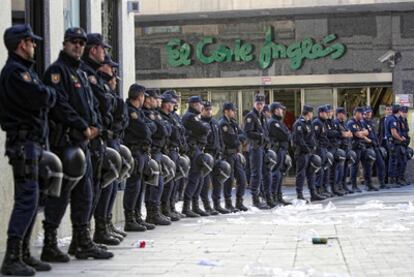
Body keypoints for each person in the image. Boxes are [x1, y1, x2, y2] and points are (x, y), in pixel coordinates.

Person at [41, 27, 113, 262]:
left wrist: (96, 127)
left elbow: (92, 106)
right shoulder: (56, 71)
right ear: (64, 44)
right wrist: (83, 126)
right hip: (65, 143)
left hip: (84, 143)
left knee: (86, 194)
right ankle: (50, 243)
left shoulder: (81, 73)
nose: (78, 46)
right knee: (60, 196)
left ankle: (82, 242)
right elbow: (59, 105)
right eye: (73, 42)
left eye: (81, 43)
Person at [0, 24, 56, 276]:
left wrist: (47, 93)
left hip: (32, 144)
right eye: (31, 42)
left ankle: (23, 253)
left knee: (33, 200)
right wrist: (48, 94)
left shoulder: (24, 71)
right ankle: (12, 257)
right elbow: (42, 98)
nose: (35, 46)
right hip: (23, 145)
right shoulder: (15, 72)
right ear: (22, 44)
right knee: (26, 199)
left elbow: (44, 95)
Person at [81, 33, 119, 246]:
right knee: (87, 192)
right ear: (94, 50)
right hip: (87, 140)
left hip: (100, 139)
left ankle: (98, 230)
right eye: (102, 49)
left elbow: (114, 112)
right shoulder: (87, 76)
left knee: (100, 188)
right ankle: (84, 236)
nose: (112, 69)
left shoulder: (97, 80)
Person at [95, 54, 128, 241]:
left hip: (113, 139)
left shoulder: (110, 92)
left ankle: (106, 224)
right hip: (102, 141)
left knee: (112, 185)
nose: (114, 74)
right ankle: (99, 228)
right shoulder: (97, 86)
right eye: (110, 68)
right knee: (104, 186)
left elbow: (120, 119)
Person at [122, 84, 156, 232]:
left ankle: (136, 217)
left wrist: (148, 127)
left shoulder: (138, 111)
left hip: (142, 152)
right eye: (143, 96)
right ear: (140, 96)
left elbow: (151, 128)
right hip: (134, 151)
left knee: (139, 186)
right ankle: (129, 219)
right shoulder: (131, 111)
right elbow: (144, 131)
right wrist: (148, 127)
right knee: (133, 186)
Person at [142, 89, 172, 225]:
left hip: (157, 151)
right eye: (155, 98)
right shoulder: (144, 112)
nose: (158, 101)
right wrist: (158, 126)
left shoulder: (155, 114)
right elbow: (153, 130)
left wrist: (158, 126)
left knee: (159, 183)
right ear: (148, 99)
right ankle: (151, 214)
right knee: (153, 184)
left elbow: (166, 131)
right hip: (151, 151)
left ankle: (155, 212)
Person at [181, 96, 210, 217]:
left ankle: (195, 206)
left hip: (197, 148)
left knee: (199, 178)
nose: (201, 106)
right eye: (199, 104)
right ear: (193, 104)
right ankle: (187, 207)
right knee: (194, 178)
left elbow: (204, 130)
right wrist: (204, 128)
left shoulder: (195, 116)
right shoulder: (190, 116)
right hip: (193, 150)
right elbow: (203, 129)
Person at [219, 102, 249, 212]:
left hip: (235, 154)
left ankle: (239, 202)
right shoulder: (223, 124)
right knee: (229, 179)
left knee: (242, 178)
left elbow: (243, 134)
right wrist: (238, 139)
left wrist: (238, 139)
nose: (235, 112)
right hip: (227, 154)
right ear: (226, 111)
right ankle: (228, 203)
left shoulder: (233, 122)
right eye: (233, 110)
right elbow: (231, 140)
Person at [292, 105, 325, 202]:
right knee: (301, 174)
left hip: (310, 153)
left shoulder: (309, 123)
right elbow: (298, 140)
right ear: (308, 113)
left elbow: (312, 137)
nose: (312, 114)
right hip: (302, 153)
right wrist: (307, 149)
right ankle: (300, 195)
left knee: (311, 174)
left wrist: (313, 147)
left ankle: (313, 193)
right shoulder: (299, 124)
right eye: (311, 113)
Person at [196, 101, 223, 215]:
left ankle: (217, 204)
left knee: (218, 181)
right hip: (206, 155)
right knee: (205, 183)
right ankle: (207, 206)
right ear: (202, 110)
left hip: (216, 155)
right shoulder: (199, 123)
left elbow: (220, 139)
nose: (209, 111)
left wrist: (221, 150)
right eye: (206, 109)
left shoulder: (215, 122)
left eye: (210, 109)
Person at [244, 95, 271, 209]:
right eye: (258, 104)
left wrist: (266, 139)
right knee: (256, 174)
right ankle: (255, 199)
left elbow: (265, 131)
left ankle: (265, 196)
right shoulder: (251, 116)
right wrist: (260, 136)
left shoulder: (262, 116)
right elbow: (248, 132)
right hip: (255, 148)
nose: (260, 106)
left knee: (265, 172)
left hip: (262, 148)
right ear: (254, 104)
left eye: (262, 104)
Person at [159, 93, 182, 220]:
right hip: (167, 150)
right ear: (166, 104)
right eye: (172, 103)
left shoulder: (173, 117)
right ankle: (164, 208)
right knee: (167, 181)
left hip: (175, 149)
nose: (174, 105)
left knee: (173, 181)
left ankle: (170, 206)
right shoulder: (162, 116)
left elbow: (180, 132)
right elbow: (169, 133)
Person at [267, 102, 291, 206]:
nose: (282, 111)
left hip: (282, 149)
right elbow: (285, 135)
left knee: (280, 173)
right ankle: (273, 196)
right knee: (276, 173)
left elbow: (288, 134)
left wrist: (287, 134)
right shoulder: (273, 122)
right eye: (281, 109)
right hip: (277, 150)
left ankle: (278, 195)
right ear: (276, 110)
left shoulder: (279, 122)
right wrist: (287, 134)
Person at [362, 106, 387, 190]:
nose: (369, 114)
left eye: (370, 112)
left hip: (375, 146)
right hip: (367, 147)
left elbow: (375, 134)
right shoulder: (362, 122)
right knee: (368, 167)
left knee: (381, 164)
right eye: (367, 113)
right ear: (364, 113)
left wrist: (377, 143)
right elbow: (362, 135)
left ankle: (382, 183)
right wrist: (369, 141)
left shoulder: (371, 122)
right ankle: (368, 184)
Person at [347, 107, 371, 193]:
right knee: (355, 166)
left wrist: (362, 133)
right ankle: (354, 185)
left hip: (362, 146)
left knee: (367, 165)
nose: (363, 115)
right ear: (356, 113)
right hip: (355, 147)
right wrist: (362, 133)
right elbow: (358, 134)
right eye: (361, 114)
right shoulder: (351, 123)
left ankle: (369, 184)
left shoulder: (360, 122)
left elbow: (367, 132)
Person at [312, 105, 333, 198]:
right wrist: (317, 149)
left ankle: (323, 189)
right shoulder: (317, 123)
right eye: (325, 112)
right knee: (319, 170)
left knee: (325, 170)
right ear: (320, 113)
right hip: (319, 149)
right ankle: (317, 189)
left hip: (324, 148)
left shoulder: (323, 122)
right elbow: (315, 138)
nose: (327, 114)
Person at [333, 108, 354, 194]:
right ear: (339, 114)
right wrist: (346, 134)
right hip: (340, 148)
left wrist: (346, 134)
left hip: (346, 148)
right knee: (339, 169)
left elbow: (350, 134)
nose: (345, 115)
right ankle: (338, 186)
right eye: (343, 114)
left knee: (345, 169)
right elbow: (344, 134)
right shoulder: (336, 123)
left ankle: (343, 185)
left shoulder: (344, 123)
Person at [386, 105, 406, 187]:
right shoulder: (392, 119)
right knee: (393, 162)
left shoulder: (394, 119)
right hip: (393, 143)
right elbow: (394, 133)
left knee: (396, 161)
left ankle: (396, 180)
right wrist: (401, 139)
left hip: (395, 143)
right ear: (399, 111)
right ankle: (393, 180)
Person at [399, 106, 411, 185]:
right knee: (400, 162)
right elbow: (397, 132)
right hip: (400, 143)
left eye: (406, 112)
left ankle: (402, 177)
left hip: (405, 144)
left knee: (404, 162)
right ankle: (399, 179)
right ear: (400, 112)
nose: (405, 114)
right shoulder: (398, 120)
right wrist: (402, 139)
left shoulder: (405, 120)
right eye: (403, 112)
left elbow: (406, 131)